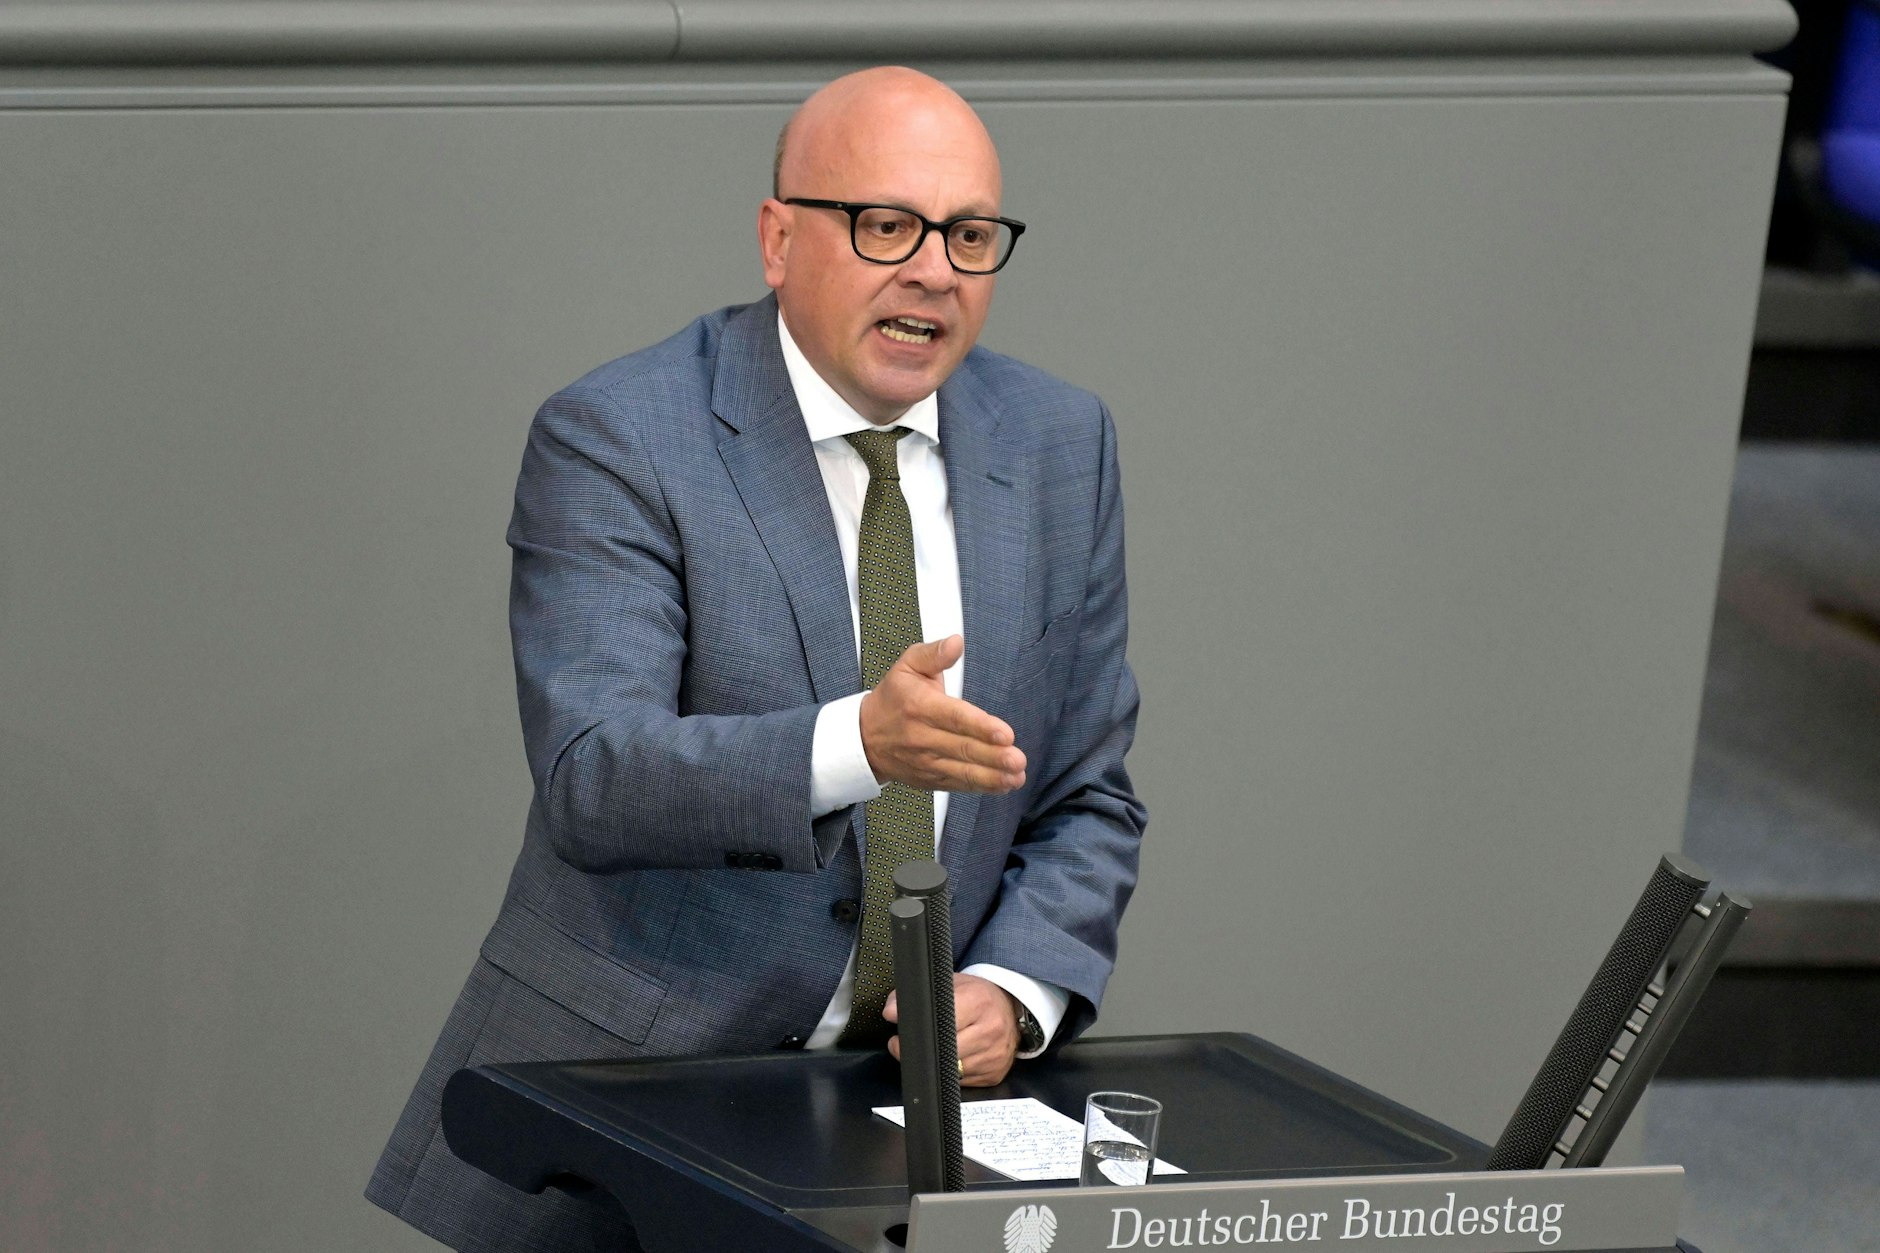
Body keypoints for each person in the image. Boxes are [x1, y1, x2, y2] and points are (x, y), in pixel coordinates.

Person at [366, 66, 1145, 1251]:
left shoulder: (1057, 442)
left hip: (888, 1126)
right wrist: (854, 745)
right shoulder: (621, 431)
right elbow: (595, 770)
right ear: (779, 239)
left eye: (970, 235)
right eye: (886, 224)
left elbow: (1085, 793)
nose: (932, 269)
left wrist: (1016, 990)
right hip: (630, 1110)